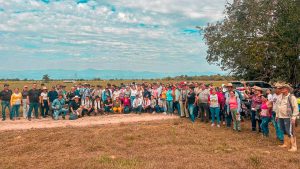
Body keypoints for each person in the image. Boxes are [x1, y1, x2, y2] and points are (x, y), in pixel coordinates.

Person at [276, 83, 299, 152]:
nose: (282, 89)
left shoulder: (291, 97)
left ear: (287, 89)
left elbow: (295, 108)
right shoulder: (280, 96)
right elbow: (278, 107)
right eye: (281, 88)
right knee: (284, 130)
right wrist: (277, 115)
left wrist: (294, 117)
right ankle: (286, 144)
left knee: (290, 131)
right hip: (281, 116)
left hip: (288, 117)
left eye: (284, 88)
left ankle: (294, 147)